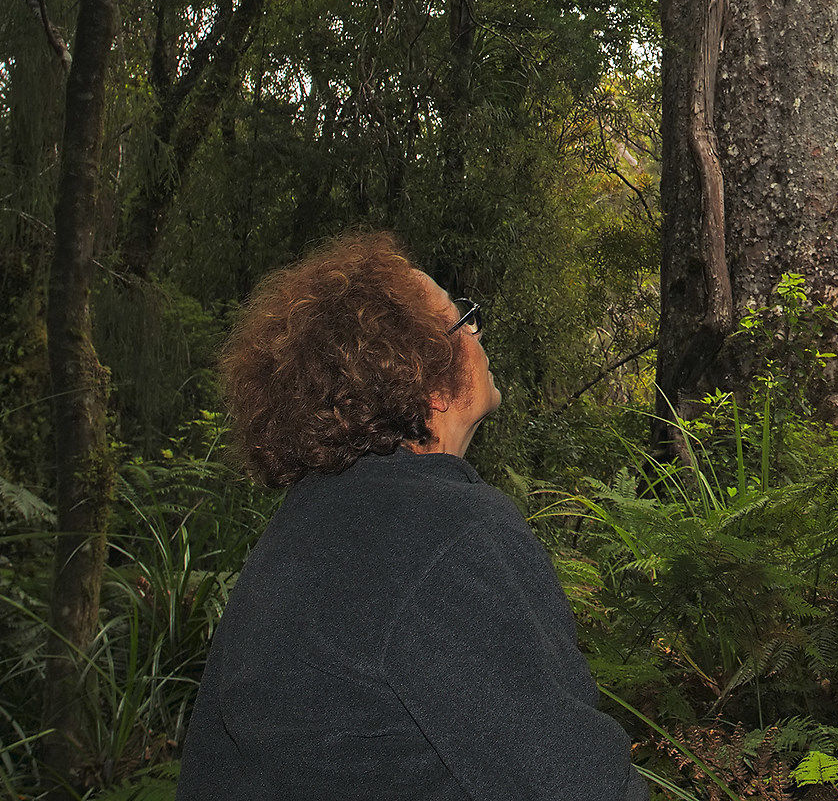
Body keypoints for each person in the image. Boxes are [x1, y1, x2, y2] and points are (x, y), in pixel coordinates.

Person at [176, 231, 645, 801]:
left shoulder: (306, 524)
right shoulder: (449, 535)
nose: (476, 331)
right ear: (427, 378)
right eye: (459, 319)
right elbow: (573, 784)